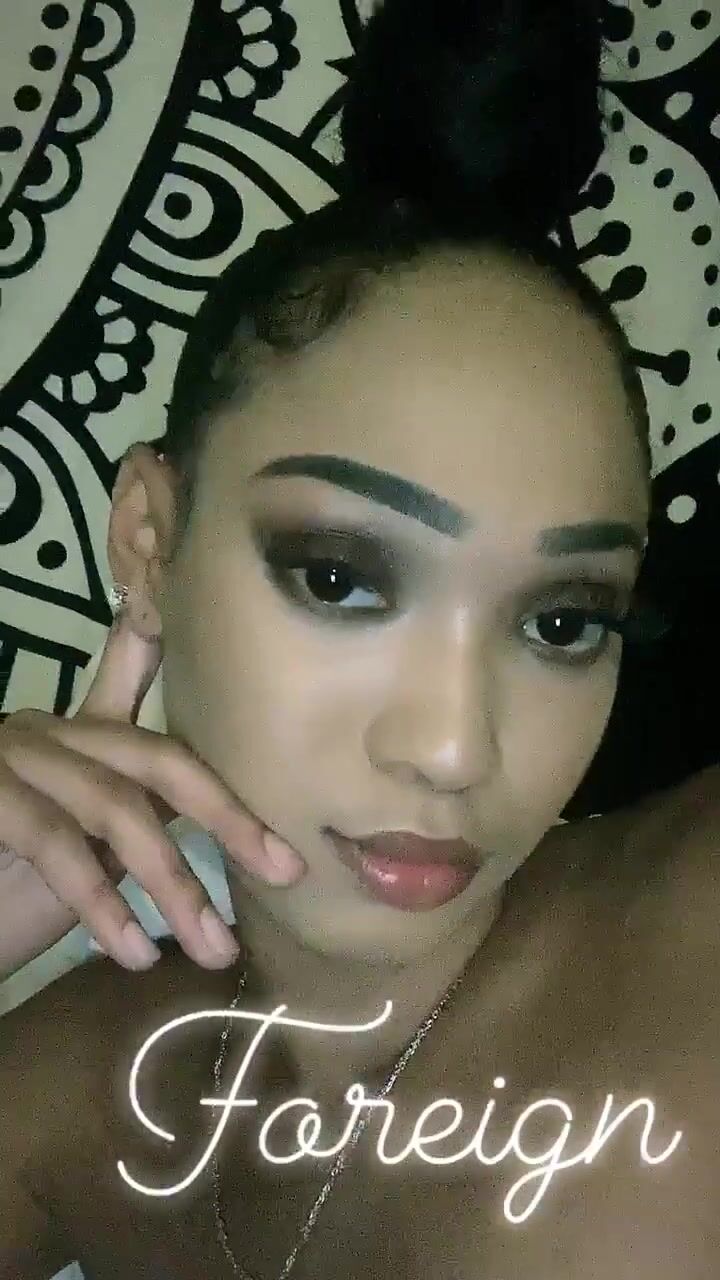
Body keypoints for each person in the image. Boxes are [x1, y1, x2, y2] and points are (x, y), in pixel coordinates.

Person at [1, 0, 718, 1276]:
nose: (451, 747)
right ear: (150, 542)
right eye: (340, 578)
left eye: (562, 620)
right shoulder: (66, 1096)